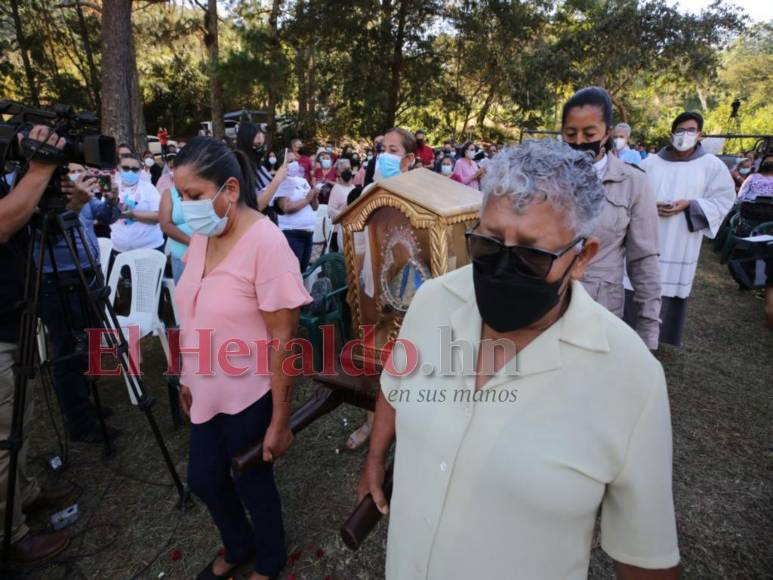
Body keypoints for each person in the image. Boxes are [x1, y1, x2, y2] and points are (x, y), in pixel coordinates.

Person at [358, 138, 680, 580]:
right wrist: (375, 458)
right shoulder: (432, 302)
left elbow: (645, 560)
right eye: (489, 245)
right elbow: (394, 389)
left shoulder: (631, 378)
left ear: (582, 257)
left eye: (531, 254)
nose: (504, 268)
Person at [174, 136, 311, 580]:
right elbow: (193, 311)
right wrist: (186, 377)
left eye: (193, 195)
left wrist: (280, 419)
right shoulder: (202, 236)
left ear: (229, 190)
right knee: (204, 479)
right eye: (180, 196)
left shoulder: (267, 244)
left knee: (253, 482)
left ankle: (269, 560)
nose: (186, 206)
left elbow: (284, 341)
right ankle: (239, 543)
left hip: (251, 392)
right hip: (206, 387)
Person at [0, 125, 70, 563]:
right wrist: (41, 166)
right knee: (1, 434)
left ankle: (22, 498)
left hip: (14, 316)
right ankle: (10, 536)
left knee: (18, 423)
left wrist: (43, 184)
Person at [562, 87, 661, 349]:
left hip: (600, 304)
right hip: (549, 302)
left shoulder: (633, 182)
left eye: (590, 133)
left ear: (607, 133)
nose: (580, 141)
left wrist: (648, 332)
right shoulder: (547, 177)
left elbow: (644, 259)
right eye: (571, 134)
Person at [37, 164, 122, 444]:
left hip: (89, 274)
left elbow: (108, 217)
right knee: (70, 351)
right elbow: (46, 234)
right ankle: (79, 422)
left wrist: (112, 197)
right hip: (59, 279)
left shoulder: (86, 197)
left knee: (90, 343)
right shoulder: (44, 197)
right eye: (71, 171)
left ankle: (84, 404)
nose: (78, 176)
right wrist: (73, 204)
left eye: (81, 170)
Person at [636, 111, 735, 347]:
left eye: (690, 130)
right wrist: (650, 205)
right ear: (672, 133)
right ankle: (635, 332)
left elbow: (724, 200)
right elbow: (633, 195)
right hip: (649, 233)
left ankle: (661, 337)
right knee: (640, 282)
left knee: (668, 286)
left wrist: (690, 204)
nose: (684, 135)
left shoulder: (712, 166)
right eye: (679, 130)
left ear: (700, 134)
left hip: (681, 239)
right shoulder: (649, 163)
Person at [110, 154, 164, 255]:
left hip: (150, 248)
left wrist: (133, 215)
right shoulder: (112, 188)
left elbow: (160, 216)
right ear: (118, 168)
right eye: (125, 168)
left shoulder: (149, 188)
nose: (130, 172)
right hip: (119, 249)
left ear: (140, 170)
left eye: (134, 169)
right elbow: (105, 214)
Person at [272, 159, 319, 271]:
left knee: (302, 272)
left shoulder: (302, 181)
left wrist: (314, 197)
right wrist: (307, 199)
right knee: (292, 272)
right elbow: (285, 207)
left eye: (295, 160)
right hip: (292, 234)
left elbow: (315, 207)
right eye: (290, 160)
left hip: (308, 233)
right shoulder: (281, 182)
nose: (294, 163)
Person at [159, 179, 192, 284]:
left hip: (209, 254)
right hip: (181, 254)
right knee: (184, 295)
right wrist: (193, 243)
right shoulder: (170, 193)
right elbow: (165, 225)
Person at [327, 159, 356, 252]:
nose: (348, 171)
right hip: (338, 232)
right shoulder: (336, 189)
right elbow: (330, 210)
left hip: (352, 230)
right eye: (345, 169)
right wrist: (344, 213)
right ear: (338, 173)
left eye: (349, 169)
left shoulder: (353, 187)